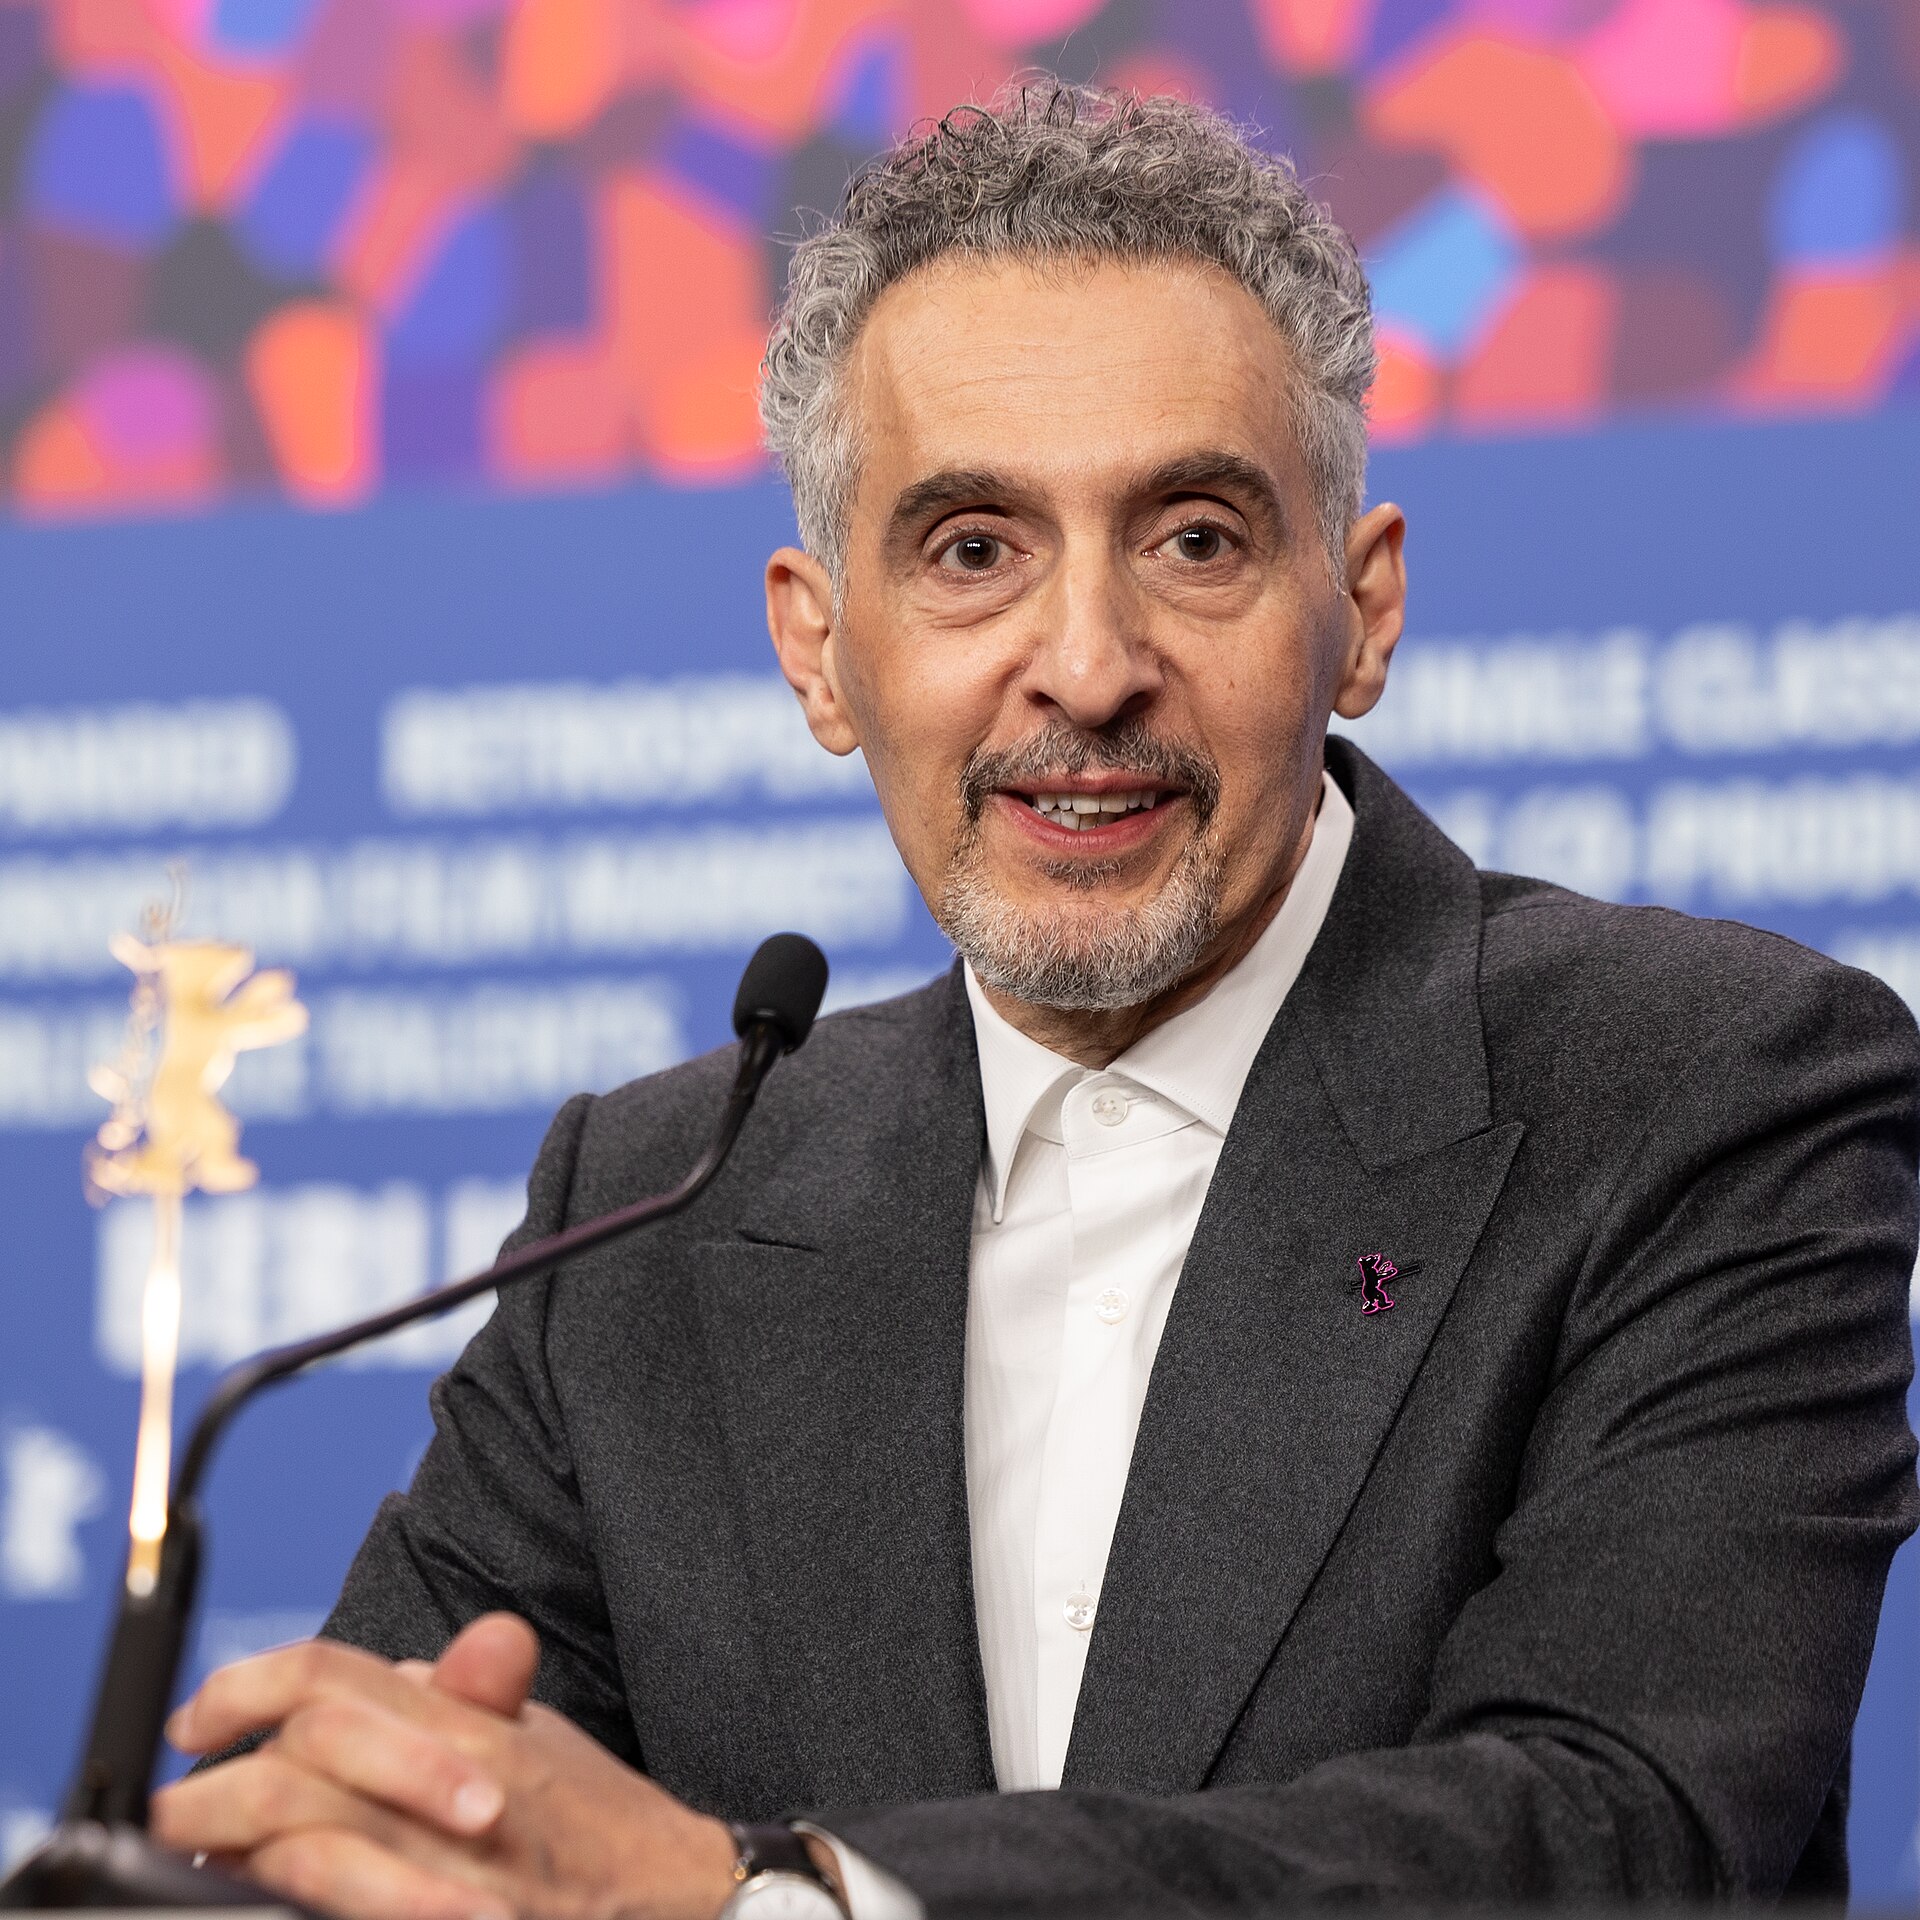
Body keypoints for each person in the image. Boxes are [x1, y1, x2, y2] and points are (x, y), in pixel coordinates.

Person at [153, 82, 1920, 1920]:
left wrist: (789, 1901)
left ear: (1365, 612)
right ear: (819, 649)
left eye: (1196, 540)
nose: (1085, 670)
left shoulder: (1707, 1084)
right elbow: (398, 1831)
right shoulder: (651, 1208)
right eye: (973, 549)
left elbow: (1618, 1833)